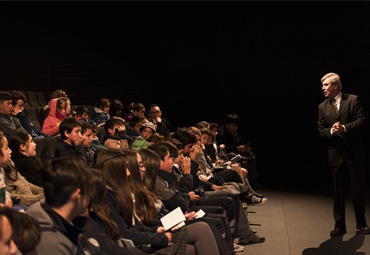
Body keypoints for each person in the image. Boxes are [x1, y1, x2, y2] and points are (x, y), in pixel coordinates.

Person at [318, 72, 369, 235]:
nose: (323, 88)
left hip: (353, 153)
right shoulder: (322, 106)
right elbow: (321, 130)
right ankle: (339, 225)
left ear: (335, 86)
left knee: (357, 190)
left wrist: (345, 128)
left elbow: (362, 121)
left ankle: (361, 223)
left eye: (326, 85)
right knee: (337, 192)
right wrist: (332, 130)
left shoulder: (353, 100)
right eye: (323, 85)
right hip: (335, 154)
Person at [26, 157, 104, 255]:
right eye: (89, 191)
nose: (91, 200)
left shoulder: (65, 222)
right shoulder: (52, 245)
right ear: (77, 195)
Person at [0, 130, 13, 208]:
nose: (10, 151)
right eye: (6, 148)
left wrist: (7, 198)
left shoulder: (1, 169)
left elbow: (4, 191)